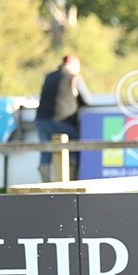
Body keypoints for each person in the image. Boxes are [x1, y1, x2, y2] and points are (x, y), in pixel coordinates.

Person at [35, 53, 91, 181]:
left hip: (42, 120)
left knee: (45, 152)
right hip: (63, 120)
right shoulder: (74, 78)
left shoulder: (48, 76)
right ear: (74, 65)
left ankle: (46, 185)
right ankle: (69, 184)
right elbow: (88, 100)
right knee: (72, 149)